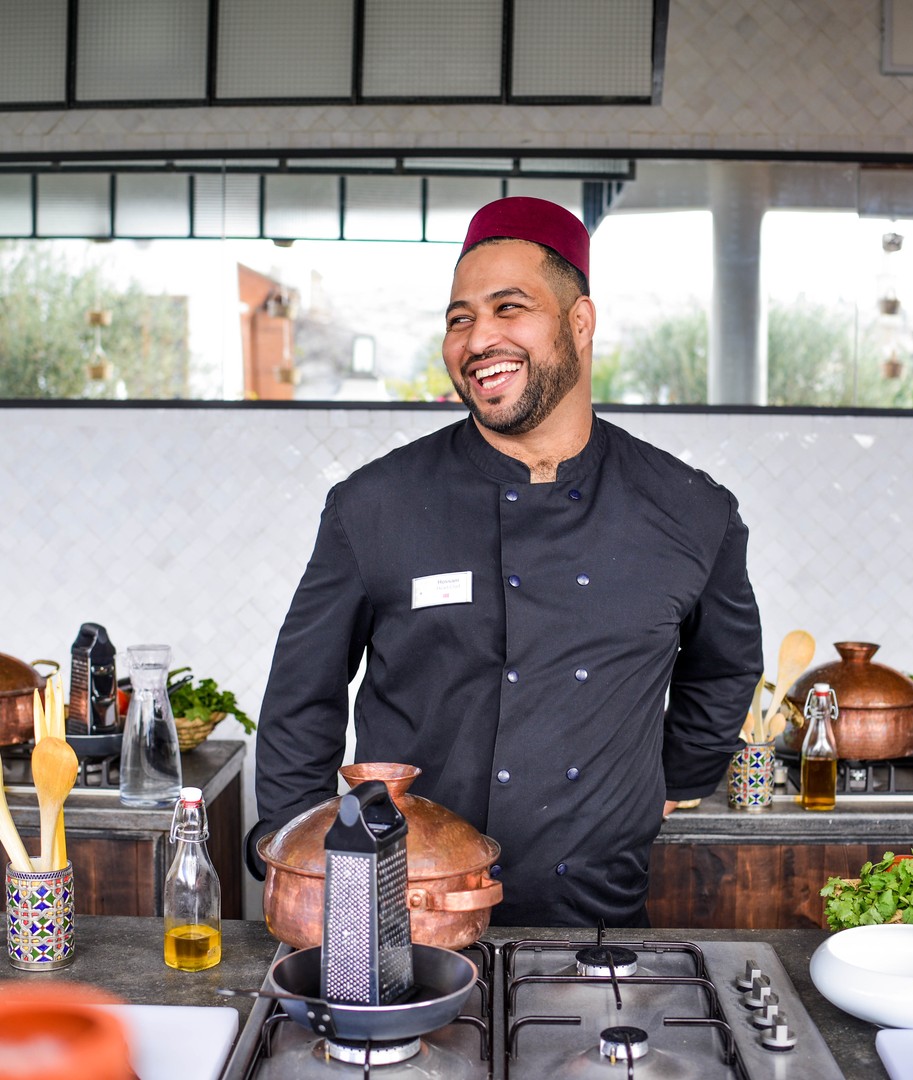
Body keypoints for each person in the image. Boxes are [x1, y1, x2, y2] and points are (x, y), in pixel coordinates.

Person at [248, 196, 763, 927]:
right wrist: (297, 855)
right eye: (460, 319)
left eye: (508, 308)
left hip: (595, 922)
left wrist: (675, 779)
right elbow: (303, 696)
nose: (478, 338)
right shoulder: (374, 505)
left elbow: (725, 668)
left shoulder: (690, 509)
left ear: (580, 322)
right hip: (402, 916)